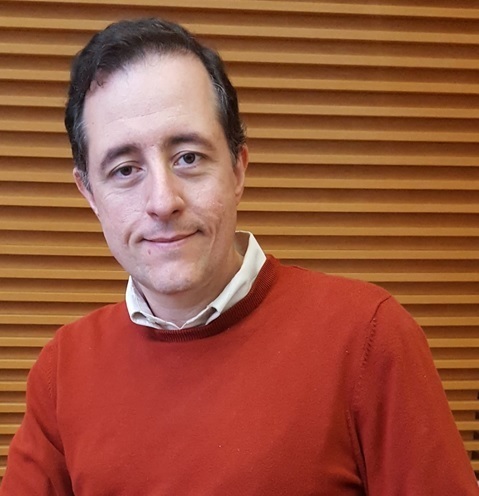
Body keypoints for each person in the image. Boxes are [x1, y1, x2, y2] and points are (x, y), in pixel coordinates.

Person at [1, 17, 477, 495]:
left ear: (237, 170)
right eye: (125, 170)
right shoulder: (63, 370)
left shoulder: (370, 338)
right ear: (89, 193)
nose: (163, 201)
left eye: (188, 157)